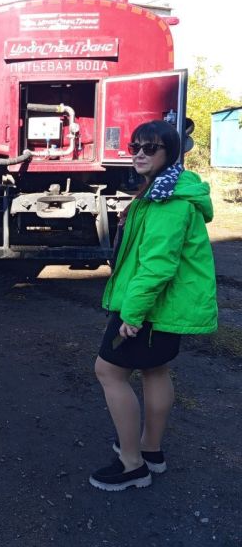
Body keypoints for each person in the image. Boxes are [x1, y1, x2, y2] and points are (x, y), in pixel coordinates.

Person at [90, 120, 217, 491]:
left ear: (169, 153)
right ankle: (150, 451)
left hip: (150, 306)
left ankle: (132, 465)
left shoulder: (168, 201)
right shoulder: (167, 190)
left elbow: (158, 265)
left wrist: (132, 313)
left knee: (109, 371)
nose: (140, 154)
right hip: (166, 308)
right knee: (155, 370)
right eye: (135, 147)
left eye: (151, 148)